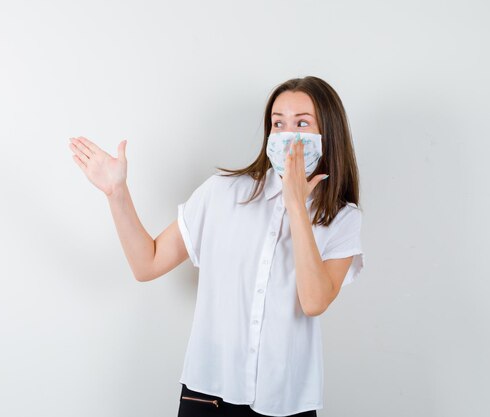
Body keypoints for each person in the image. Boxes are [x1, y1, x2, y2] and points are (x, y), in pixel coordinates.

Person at [68, 75, 364, 417]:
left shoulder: (342, 217)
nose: (287, 136)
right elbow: (146, 264)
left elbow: (314, 301)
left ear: (327, 133)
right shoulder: (222, 193)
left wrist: (296, 205)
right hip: (208, 397)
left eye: (301, 123)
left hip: (287, 403)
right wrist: (116, 192)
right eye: (278, 124)